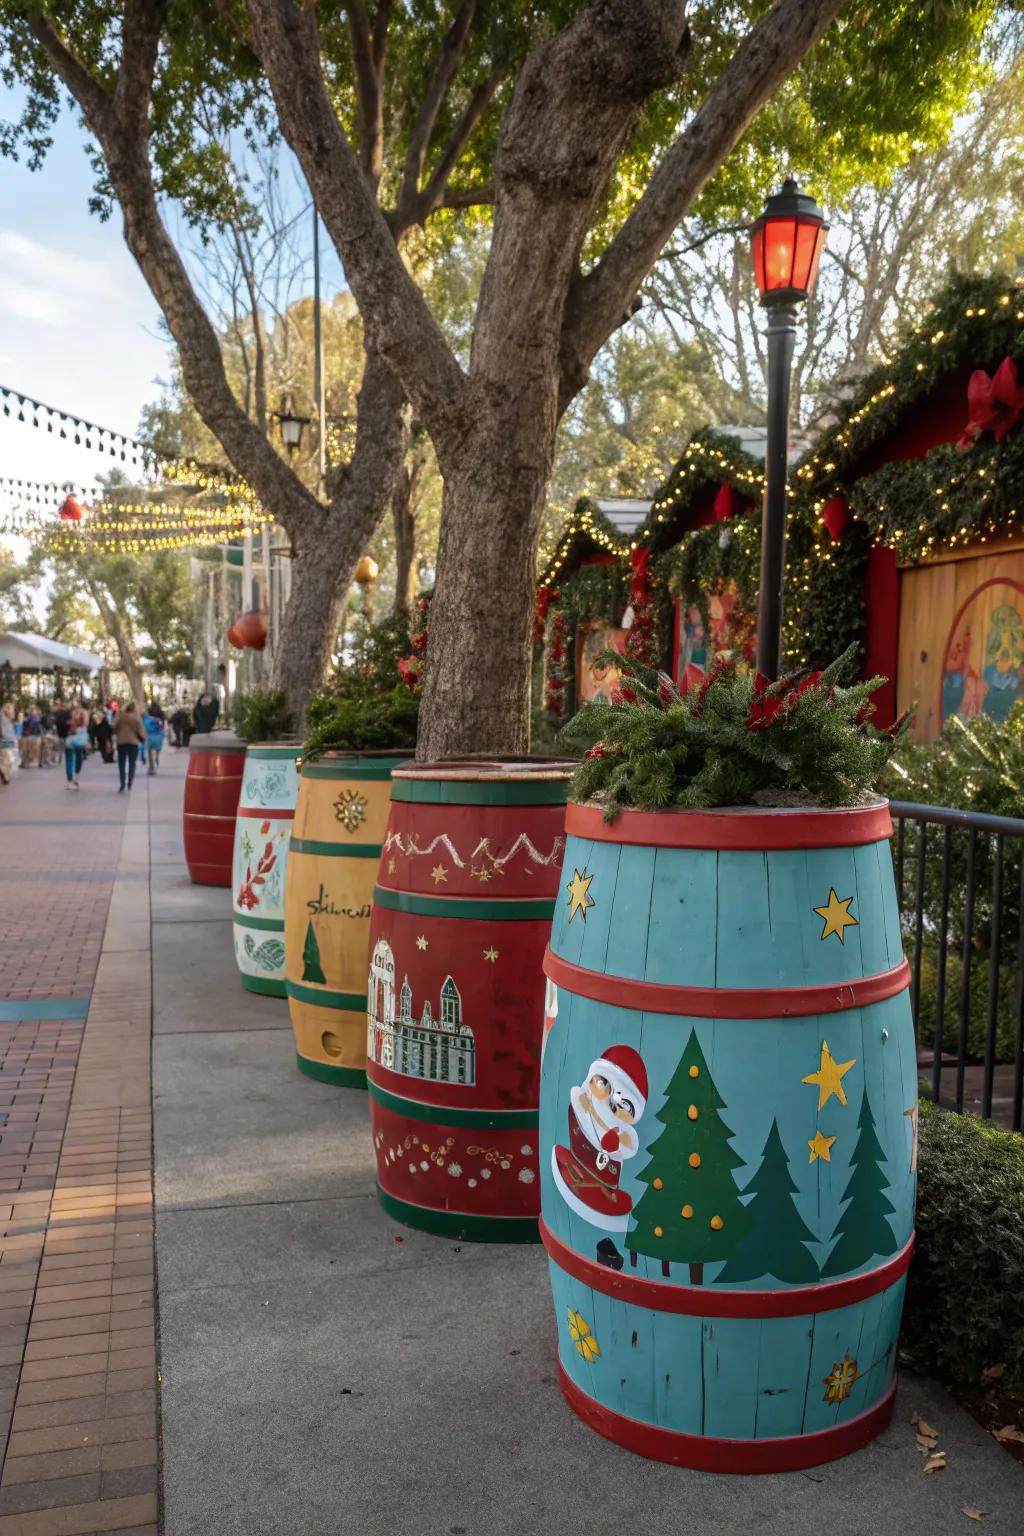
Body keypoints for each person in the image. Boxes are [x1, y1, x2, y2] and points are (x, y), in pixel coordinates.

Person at [114, 701, 146, 792]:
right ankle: (130, 782)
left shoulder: (121, 717)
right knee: (132, 763)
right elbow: (140, 731)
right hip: (133, 743)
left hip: (121, 742)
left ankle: (122, 783)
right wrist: (143, 739)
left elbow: (115, 728)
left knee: (121, 763)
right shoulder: (137, 718)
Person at [63, 701, 90, 791]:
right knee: (79, 756)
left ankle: (70, 781)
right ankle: (76, 776)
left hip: (70, 737)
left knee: (69, 759)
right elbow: (86, 724)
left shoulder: (69, 713)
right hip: (81, 737)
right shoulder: (85, 713)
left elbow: (64, 724)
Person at [142, 705, 165, 776]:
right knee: (156, 752)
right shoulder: (159, 719)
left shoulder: (147, 719)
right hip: (159, 737)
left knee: (150, 753)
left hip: (150, 737)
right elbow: (162, 728)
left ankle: (152, 768)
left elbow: (145, 728)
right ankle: (156, 759)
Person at [0, 702, 16, 786]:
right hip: (5, 740)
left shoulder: (7, 717)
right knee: (7, 759)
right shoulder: (3, 717)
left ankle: (5, 773)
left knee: (5, 758)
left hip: (7, 739)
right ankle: (5, 775)